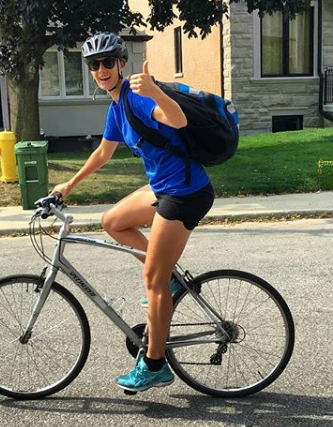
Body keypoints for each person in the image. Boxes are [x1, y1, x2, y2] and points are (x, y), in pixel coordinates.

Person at [51, 32, 214, 393]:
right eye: (95, 65)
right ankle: (168, 279)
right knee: (113, 221)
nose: (101, 69)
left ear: (120, 64)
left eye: (108, 62)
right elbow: (102, 154)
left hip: (185, 193)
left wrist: (154, 90)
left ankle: (155, 365)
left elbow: (178, 121)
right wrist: (68, 186)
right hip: (163, 188)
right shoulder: (116, 107)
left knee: (152, 281)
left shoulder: (138, 98)